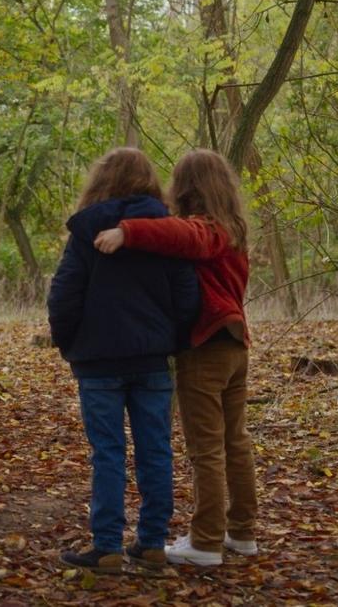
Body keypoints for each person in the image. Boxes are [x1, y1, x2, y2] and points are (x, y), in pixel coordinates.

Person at [93, 148, 258, 567]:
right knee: (234, 443)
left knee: (207, 448)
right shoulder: (233, 228)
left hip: (208, 348)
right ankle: (241, 533)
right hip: (235, 345)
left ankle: (205, 542)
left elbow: (183, 236)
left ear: (187, 188)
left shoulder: (207, 229)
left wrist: (127, 231)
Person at [48, 147, 199, 573]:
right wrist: (172, 339)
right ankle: (152, 542)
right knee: (155, 449)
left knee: (108, 453)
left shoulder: (86, 233)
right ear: (149, 182)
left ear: (101, 181)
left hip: (98, 362)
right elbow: (187, 295)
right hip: (152, 359)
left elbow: (63, 297)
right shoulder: (167, 232)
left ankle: (108, 546)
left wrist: (71, 345)